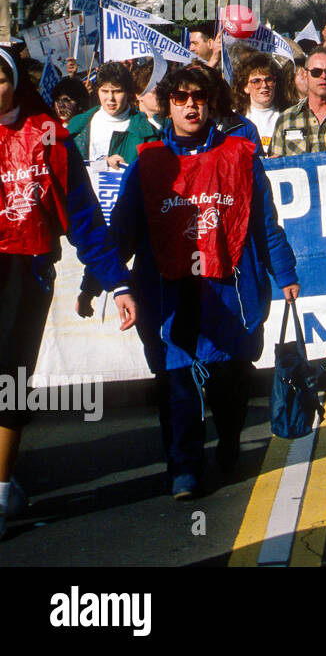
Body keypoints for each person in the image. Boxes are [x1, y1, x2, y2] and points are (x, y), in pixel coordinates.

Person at [100, 63, 299, 498]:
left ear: (212, 103)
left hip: (229, 287)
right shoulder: (149, 159)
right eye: (181, 97)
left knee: (230, 377)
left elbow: (265, 223)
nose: (191, 105)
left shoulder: (241, 155)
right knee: (176, 378)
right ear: (168, 103)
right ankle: (184, 465)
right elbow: (124, 228)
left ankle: (228, 437)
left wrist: (283, 271)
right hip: (169, 289)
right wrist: (104, 280)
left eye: (200, 97)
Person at [1, 46, 137, 538]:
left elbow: (83, 218)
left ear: (14, 82)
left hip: (24, 270)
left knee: (8, 377)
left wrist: (116, 281)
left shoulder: (50, 138)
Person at [66, 61, 160, 169]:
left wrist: (130, 169)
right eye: (104, 91)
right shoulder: (77, 125)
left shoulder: (148, 133)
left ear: (128, 92)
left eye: (117, 91)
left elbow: (153, 175)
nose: (110, 98)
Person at [233, 52, 292, 151]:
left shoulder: (289, 116)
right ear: (245, 87)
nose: (264, 85)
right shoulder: (235, 120)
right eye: (256, 81)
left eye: (269, 79)